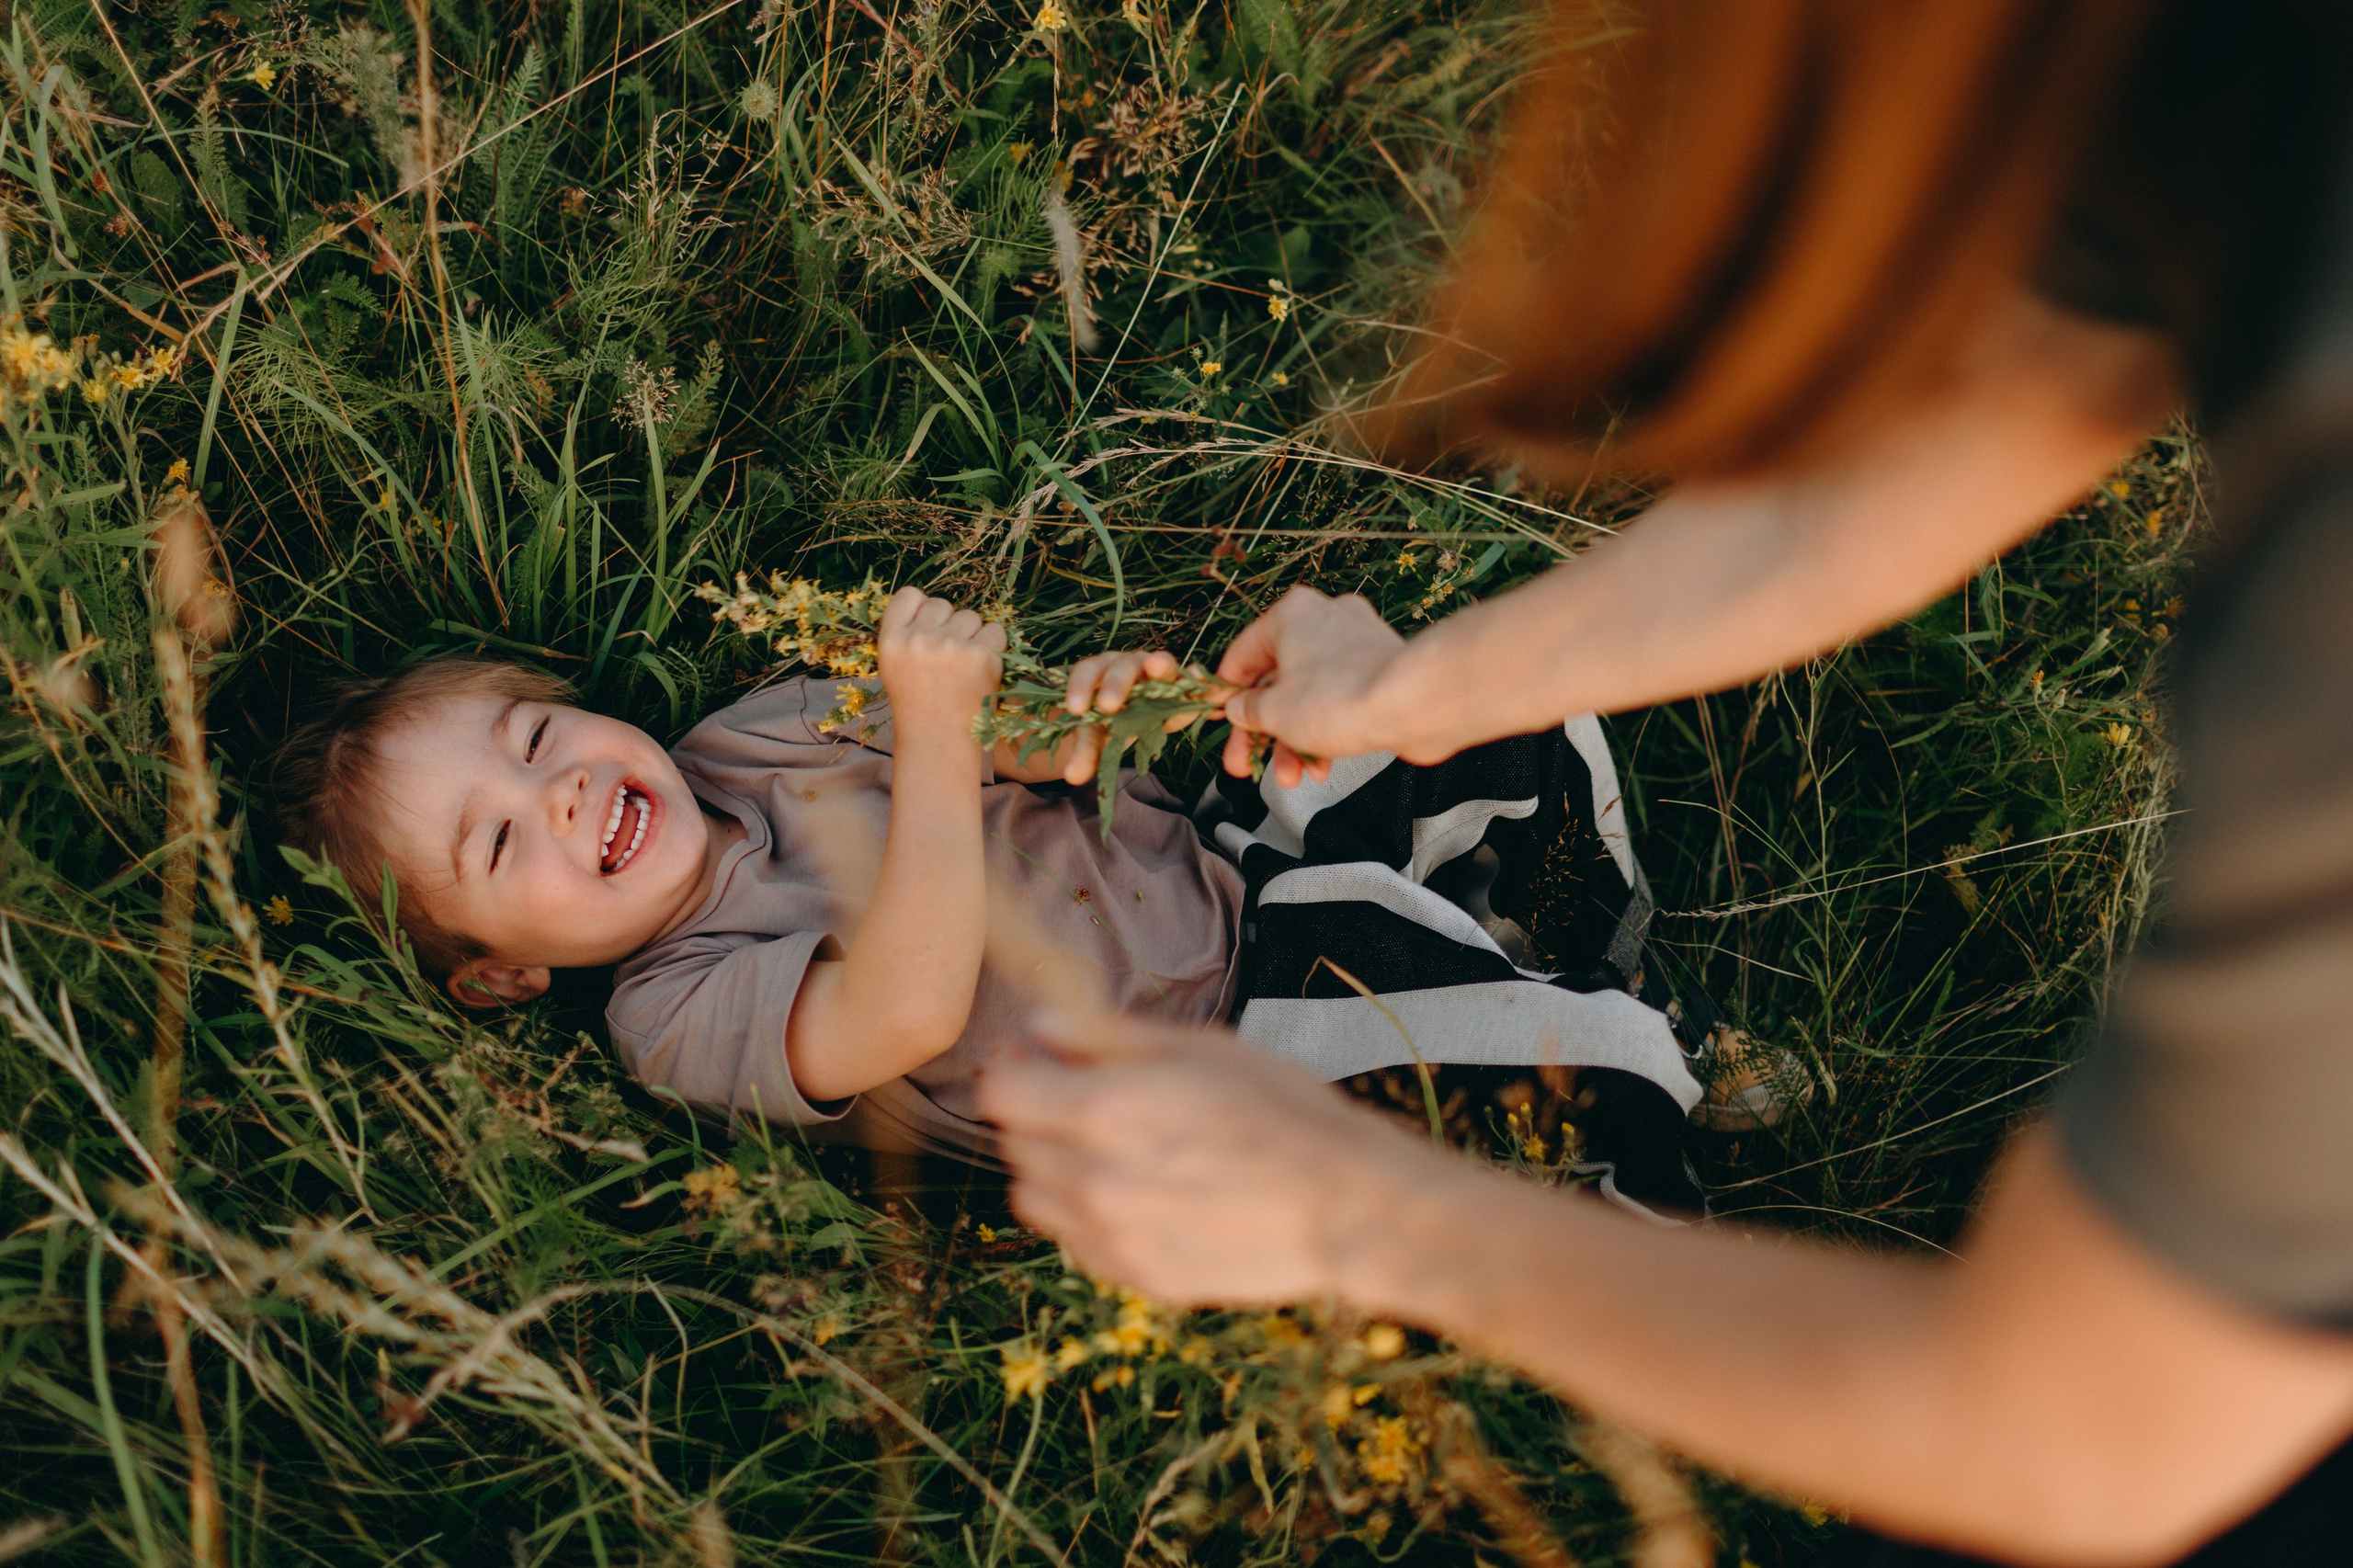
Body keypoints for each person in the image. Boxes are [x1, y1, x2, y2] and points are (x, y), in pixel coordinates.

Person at [977, 0, 2353, 1562]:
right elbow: (2005, 394)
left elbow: (2077, 1435)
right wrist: (1418, 692)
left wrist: (1354, 1206)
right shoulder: (2226, 55)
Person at [267, 590, 1720, 1190]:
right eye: (501, 844)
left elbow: (1044, 745)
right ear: (504, 972)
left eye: (533, 741)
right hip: (1218, 1050)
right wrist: (942, 728)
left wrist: (1077, 705)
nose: (560, 793)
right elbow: (904, 1003)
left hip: (1225, 855)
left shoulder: (754, 730)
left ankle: (1595, 953)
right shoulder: (671, 1007)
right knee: (1597, 1074)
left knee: (1484, 721)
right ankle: (1646, 1083)